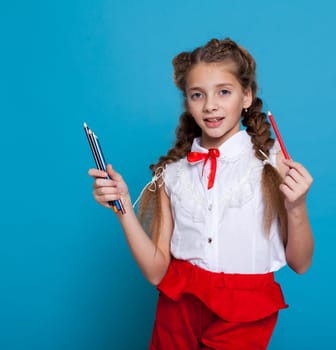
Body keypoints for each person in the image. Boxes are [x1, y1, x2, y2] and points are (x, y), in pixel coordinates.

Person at [88, 38, 314, 349]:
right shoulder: (173, 175)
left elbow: (300, 263)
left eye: (224, 91)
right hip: (178, 305)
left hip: (246, 308)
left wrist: (297, 206)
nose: (210, 105)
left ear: (246, 96)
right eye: (197, 95)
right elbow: (156, 272)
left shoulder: (272, 164)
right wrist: (123, 207)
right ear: (187, 102)